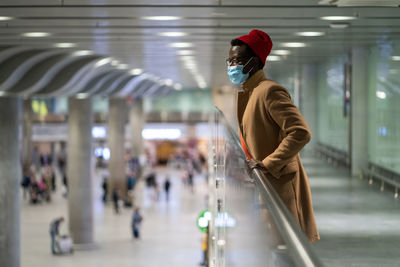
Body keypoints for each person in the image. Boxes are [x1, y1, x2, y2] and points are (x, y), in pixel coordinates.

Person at [227, 29, 319, 242]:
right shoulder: (251, 93)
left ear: (254, 62)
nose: (232, 66)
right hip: (269, 183)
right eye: (230, 61)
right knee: (274, 244)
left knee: (286, 245)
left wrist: (268, 163)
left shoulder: (269, 91)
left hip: (281, 184)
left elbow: (300, 132)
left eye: (237, 61)